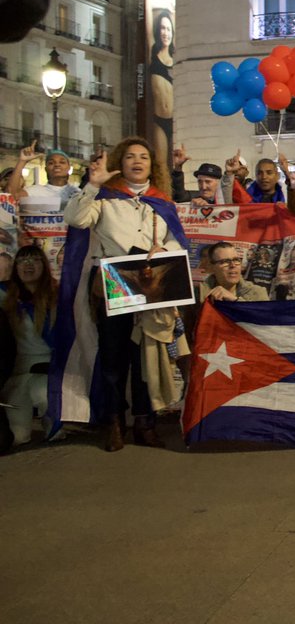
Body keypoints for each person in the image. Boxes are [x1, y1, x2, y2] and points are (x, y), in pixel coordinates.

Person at [60, 136, 188, 452]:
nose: (137, 161)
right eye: (130, 156)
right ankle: (114, 421)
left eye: (143, 157)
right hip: (114, 283)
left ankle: (145, 423)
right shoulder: (103, 200)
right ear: (121, 162)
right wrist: (92, 185)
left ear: (151, 165)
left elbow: (178, 241)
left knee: (146, 357)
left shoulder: (163, 202)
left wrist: (164, 249)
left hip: (151, 284)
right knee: (114, 357)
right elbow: (76, 219)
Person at [0, 245, 56, 451]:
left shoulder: (57, 295)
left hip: (47, 368)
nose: (28, 265)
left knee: (44, 395)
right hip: (15, 371)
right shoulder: (4, 294)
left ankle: (52, 419)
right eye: (23, 260)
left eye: (35, 260)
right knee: (18, 436)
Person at [6, 141, 81, 212]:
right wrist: (22, 161)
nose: (57, 165)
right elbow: (11, 196)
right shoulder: (34, 191)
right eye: (51, 163)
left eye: (62, 162)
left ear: (69, 167)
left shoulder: (78, 194)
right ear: (46, 169)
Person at [148, 8, 175, 162]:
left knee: (176, 162)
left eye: (168, 29)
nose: (165, 33)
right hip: (159, 119)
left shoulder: (177, 59)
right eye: (162, 28)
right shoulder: (153, 56)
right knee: (161, 164)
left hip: (175, 121)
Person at [199, 242, 269, 303]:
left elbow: (264, 318)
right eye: (225, 261)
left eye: (236, 260)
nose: (233, 265)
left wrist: (235, 300)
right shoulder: (199, 294)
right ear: (212, 266)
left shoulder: (257, 293)